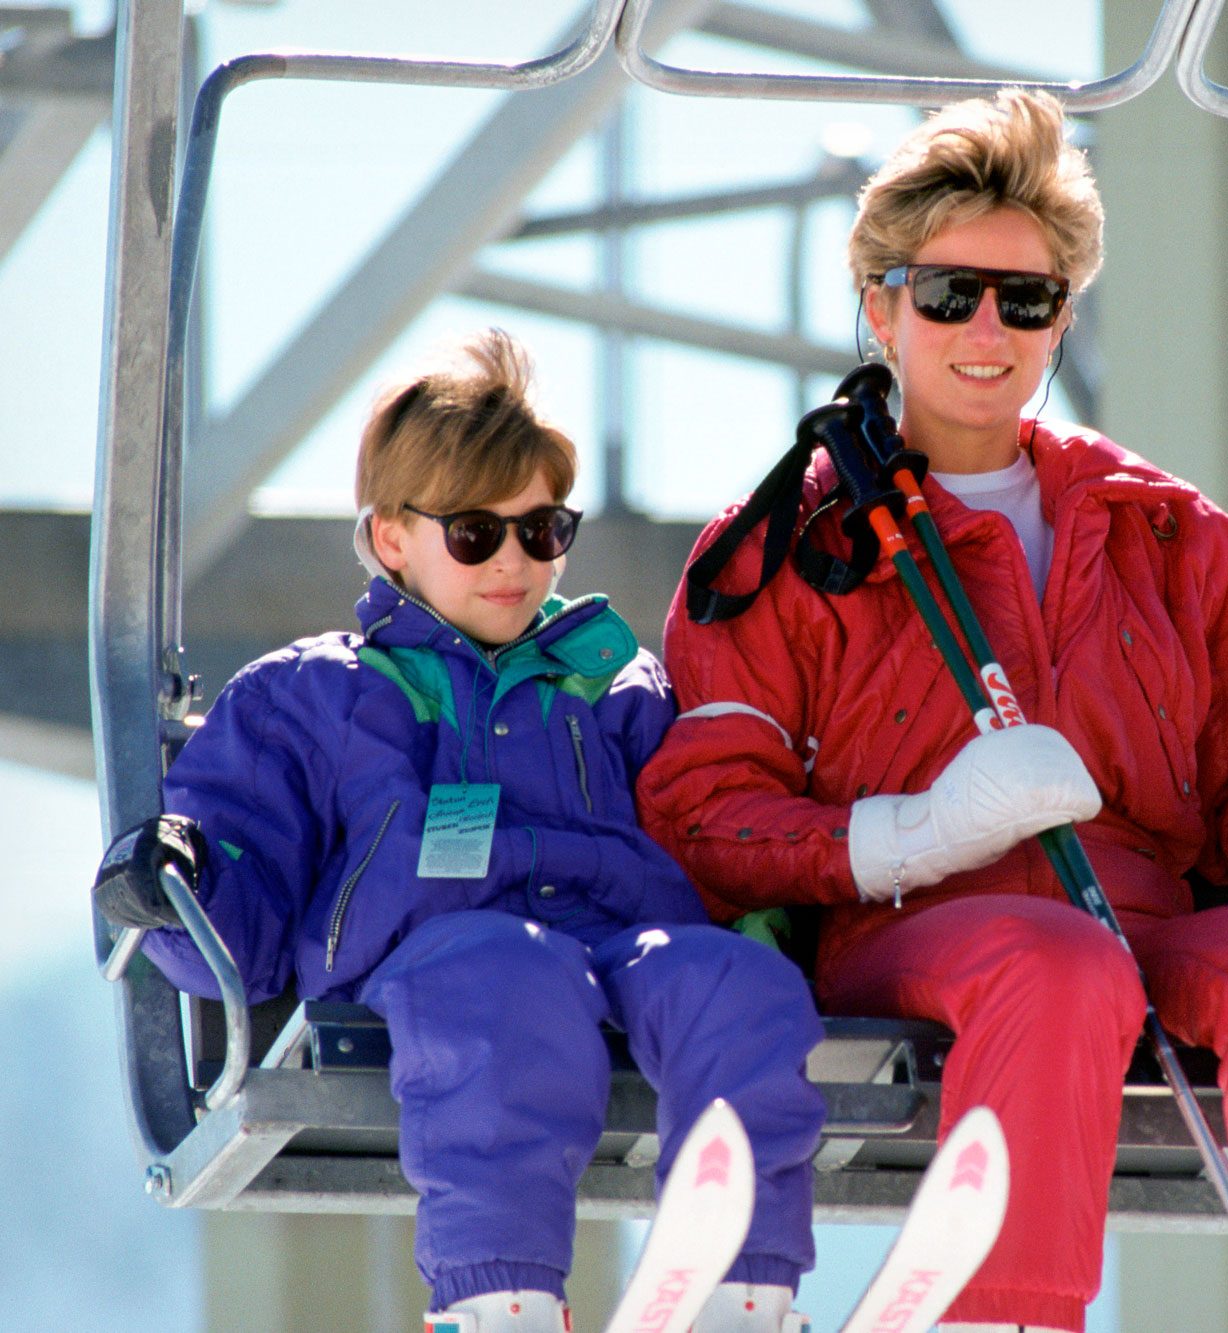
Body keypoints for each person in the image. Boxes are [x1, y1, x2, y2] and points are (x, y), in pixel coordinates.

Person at [639, 90, 1228, 1333]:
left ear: (1061, 318)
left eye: (1024, 300)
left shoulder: (1168, 534)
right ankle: (1008, 1313)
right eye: (945, 292)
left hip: (1143, 917)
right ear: (878, 305)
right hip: (911, 922)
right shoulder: (792, 546)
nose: (986, 328)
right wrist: (915, 830)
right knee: (1054, 961)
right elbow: (706, 812)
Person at [91, 330, 824, 1333]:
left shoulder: (613, 686)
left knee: (733, 983)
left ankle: (744, 1286)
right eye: (477, 535)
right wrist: (180, 878)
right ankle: (500, 1295)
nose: (515, 563)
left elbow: (705, 834)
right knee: (501, 972)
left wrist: (797, 899)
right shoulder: (315, 697)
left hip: (615, 958)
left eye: (543, 530)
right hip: (431, 970)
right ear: (394, 537)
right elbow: (245, 899)